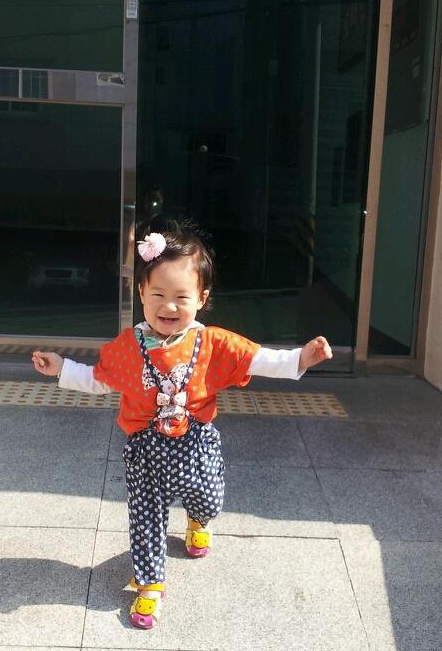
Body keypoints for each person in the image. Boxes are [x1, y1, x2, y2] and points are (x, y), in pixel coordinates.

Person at [31, 222, 332, 630]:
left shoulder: (213, 344)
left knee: (209, 499)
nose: (168, 306)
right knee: (145, 519)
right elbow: (99, 380)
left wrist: (301, 358)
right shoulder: (127, 347)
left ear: (202, 299)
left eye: (181, 297)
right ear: (141, 292)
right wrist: (62, 368)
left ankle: (198, 520)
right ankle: (149, 585)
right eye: (158, 294)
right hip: (145, 450)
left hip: (196, 444)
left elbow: (256, 359)